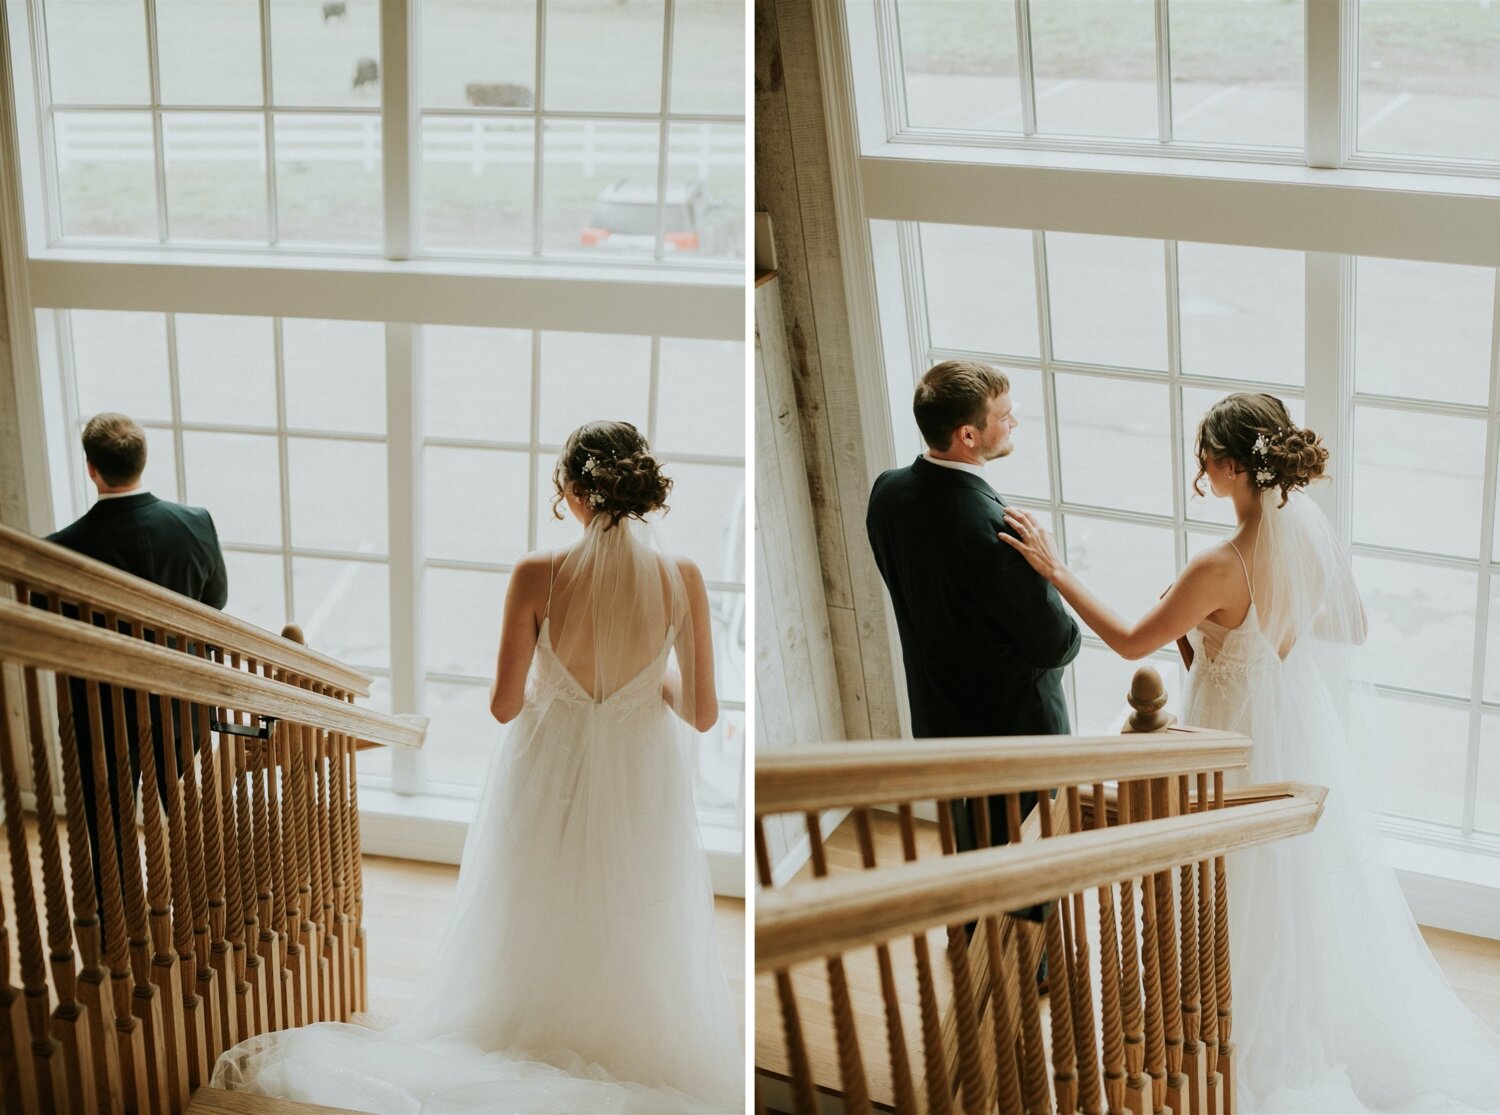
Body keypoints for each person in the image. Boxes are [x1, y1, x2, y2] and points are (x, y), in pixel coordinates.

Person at [211, 420, 743, 1114]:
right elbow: (702, 713)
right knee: (631, 896)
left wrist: (565, 687)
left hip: (551, 763)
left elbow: (501, 705)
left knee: (538, 895)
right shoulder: (684, 578)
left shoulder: (536, 575)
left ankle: (530, 1029)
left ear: (574, 492)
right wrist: (641, 687)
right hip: (640, 769)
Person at [999, 391, 1500, 1113]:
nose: (1201, 467)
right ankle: (1267, 1010)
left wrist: (1055, 568)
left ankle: (1237, 1033)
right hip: (1292, 725)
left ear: (1234, 466)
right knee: (1286, 883)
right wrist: (1254, 636)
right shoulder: (1304, 537)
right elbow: (1352, 624)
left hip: (1232, 732)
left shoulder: (1222, 561)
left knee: (1231, 883)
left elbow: (1131, 642)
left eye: (1207, 456)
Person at [866, 360, 1081, 864]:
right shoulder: (998, 530)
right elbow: (1057, 644)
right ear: (968, 434)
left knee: (967, 846)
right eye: (1005, 416)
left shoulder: (886, 493)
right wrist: (1051, 571)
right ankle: (1029, 944)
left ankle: (967, 938)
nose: (1014, 424)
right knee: (1027, 855)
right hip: (1016, 729)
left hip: (938, 713)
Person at [43, 412, 228, 940]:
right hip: (181, 704)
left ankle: (115, 933)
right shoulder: (196, 523)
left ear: (91, 469)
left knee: (108, 826)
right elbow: (214, 602)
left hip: (101, 715)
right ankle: (205, 918)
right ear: (141, 462)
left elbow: (50, 627)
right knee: (192, 817)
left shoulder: (60, 549)